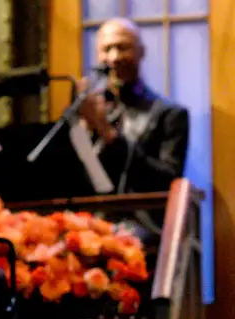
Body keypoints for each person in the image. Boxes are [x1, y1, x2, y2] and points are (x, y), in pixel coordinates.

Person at [79, 17, 189, 194]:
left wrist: (108, 133)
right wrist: (83, 132)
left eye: (122, 47)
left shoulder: (170, 114)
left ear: (141, 52)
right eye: (107, 49)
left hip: (141, 219)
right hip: (91, 217)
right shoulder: (91, 110)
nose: (114, 58)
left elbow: (167, 180)